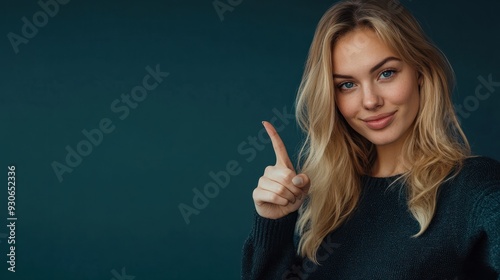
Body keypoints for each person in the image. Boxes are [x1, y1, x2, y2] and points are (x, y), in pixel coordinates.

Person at [241, 0, 500, 279]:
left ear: (420, 73)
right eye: (347, 85)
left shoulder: (476, 190)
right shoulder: (324, 199)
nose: (370, 101)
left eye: (386, 73)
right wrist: (273, 224)